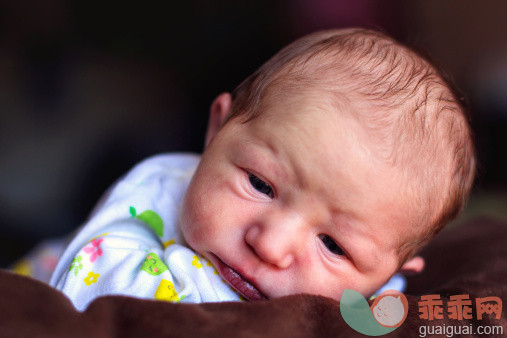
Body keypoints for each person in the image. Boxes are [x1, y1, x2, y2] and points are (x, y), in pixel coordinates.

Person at [46, 28, 475, 311]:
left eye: (333, 245)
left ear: (392, 273)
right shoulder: (150, 200)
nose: (270, 246)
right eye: (259, 184)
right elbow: (93, 302)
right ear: (216, 130)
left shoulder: (373, 305)